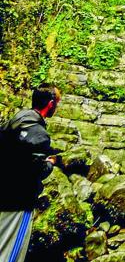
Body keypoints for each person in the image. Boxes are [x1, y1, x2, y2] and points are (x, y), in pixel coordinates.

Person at [0, 84, 61, 262]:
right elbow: (35, 171)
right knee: (11, 253)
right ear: (50, 104)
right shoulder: (39, 134)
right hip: (18, 204)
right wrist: (49, 164)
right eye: (57, 103)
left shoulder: (14, 121)